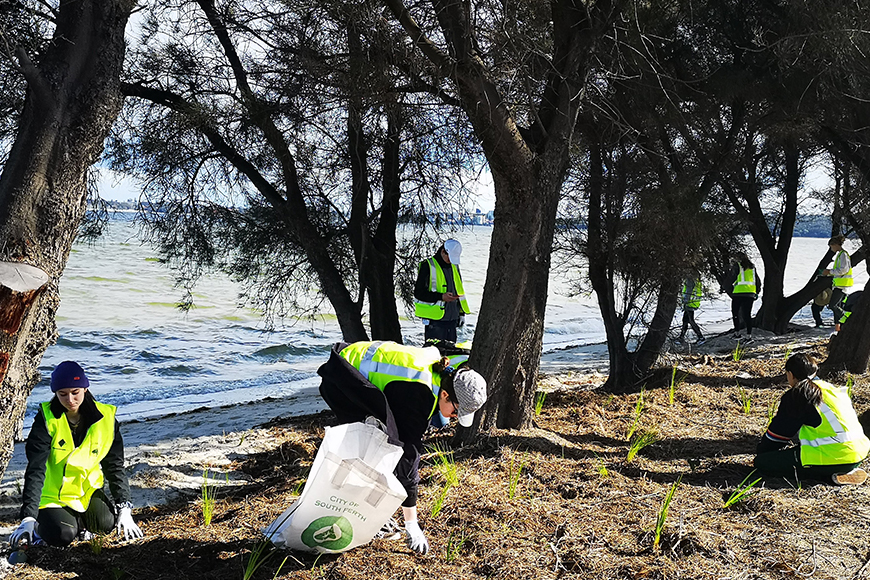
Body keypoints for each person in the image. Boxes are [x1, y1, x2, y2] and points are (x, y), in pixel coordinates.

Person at [317, 341, 487, 554]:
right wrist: (412, 525)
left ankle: (373, 511)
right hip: (343, 375)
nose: (454, 418)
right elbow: (408, 465)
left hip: (358, 363)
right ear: (445, 394)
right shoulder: (417, 396)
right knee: (370, 444)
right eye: (456, 412)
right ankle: (361, 513)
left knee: (389, 440)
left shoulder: (446, 373)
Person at [9, 361, 143, 549]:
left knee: (105, 524)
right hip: (52, 496)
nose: (70, 400)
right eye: (62, 394)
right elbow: (35, 469)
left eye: (75, 392)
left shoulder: (106, 418)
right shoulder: (45, 420)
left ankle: (80, 523)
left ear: (85, 389)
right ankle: (41, 526)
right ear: (55, 393)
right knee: (63, 535)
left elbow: (114, 466)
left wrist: (125, 508)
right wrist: (28, 517)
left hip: (86, 492)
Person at [754, 354, 869, 485]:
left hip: (833, 457)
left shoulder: (798, 394)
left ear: (790, 374)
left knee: (762, 463)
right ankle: (844, 471)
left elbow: (778, 435)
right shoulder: (833, 389)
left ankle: (827, 476)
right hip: (859, 454)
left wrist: (763, 453)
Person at [414, 239, 470, 343]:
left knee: (451, 356)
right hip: (435, 322)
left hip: (452, 320)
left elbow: (459, 291)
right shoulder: (428, 266)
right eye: (449, 257)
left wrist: (461, 314)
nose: (450, 261)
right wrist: (441, 297)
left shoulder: (454, 266)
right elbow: (419, 293)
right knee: (435, 355)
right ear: (443, 251)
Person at [727, 252, 761, 343]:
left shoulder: (737, 266)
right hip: (750, 294)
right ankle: (749, 336)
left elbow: (731, 279)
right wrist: (757, 292)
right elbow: (758, 281)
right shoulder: (752, 268)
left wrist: (726, 288)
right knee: (747, 315)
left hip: (738, 293)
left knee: (735, 313)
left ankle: (737, 333)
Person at [822, 234, 853, 326]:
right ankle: (838, 326)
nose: (831, 248)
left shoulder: (843, 255)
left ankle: (846, 318)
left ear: (835, 245)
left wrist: (829, 272)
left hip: (842, 285)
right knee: (837, 306)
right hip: (839, 284)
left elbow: (843, 270)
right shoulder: (840, 255)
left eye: (831, 246)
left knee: (833, 305)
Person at [676, 273, 704, 344]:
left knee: (690, 320)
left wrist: (685, 302)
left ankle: (700, 337)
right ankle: (681, 337)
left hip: (689, 303)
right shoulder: (697, 280)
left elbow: (688, 292)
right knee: (685, 320)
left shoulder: (690, 280)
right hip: (693, 302)